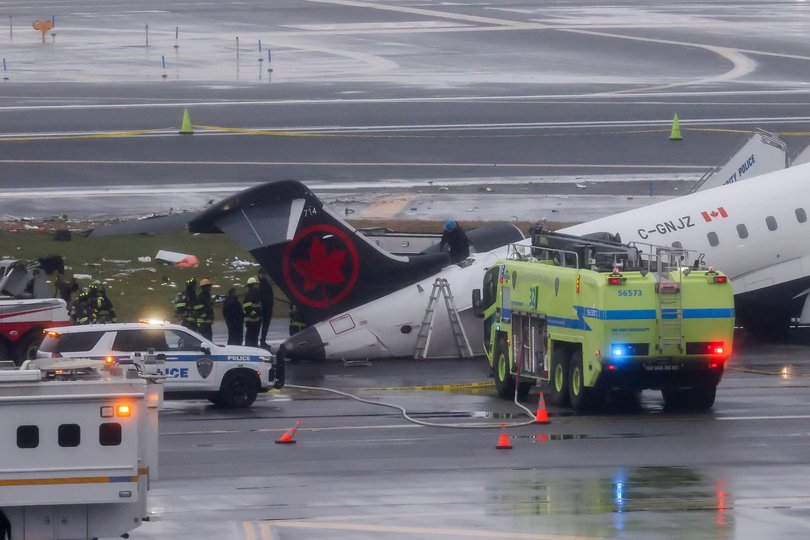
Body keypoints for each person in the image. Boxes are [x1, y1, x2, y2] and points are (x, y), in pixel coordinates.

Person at [243, 277, 262, 347]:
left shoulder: (255, 293)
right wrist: (255, 314)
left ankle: (254, 346)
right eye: (256, 284)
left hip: (255, 319)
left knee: (254, 335)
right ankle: (250, 347)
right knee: (251, 334)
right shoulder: (250, 294)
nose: (258, 286)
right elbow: (247, 307)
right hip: (251, 319)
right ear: (253, 285)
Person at [257, 269, 274, 348]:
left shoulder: (264, 285)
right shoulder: (262, 285)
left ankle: (262, 340)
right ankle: (260, 341)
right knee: (260, 326)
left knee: (264, 326)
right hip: (264, 309)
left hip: (266, 309)